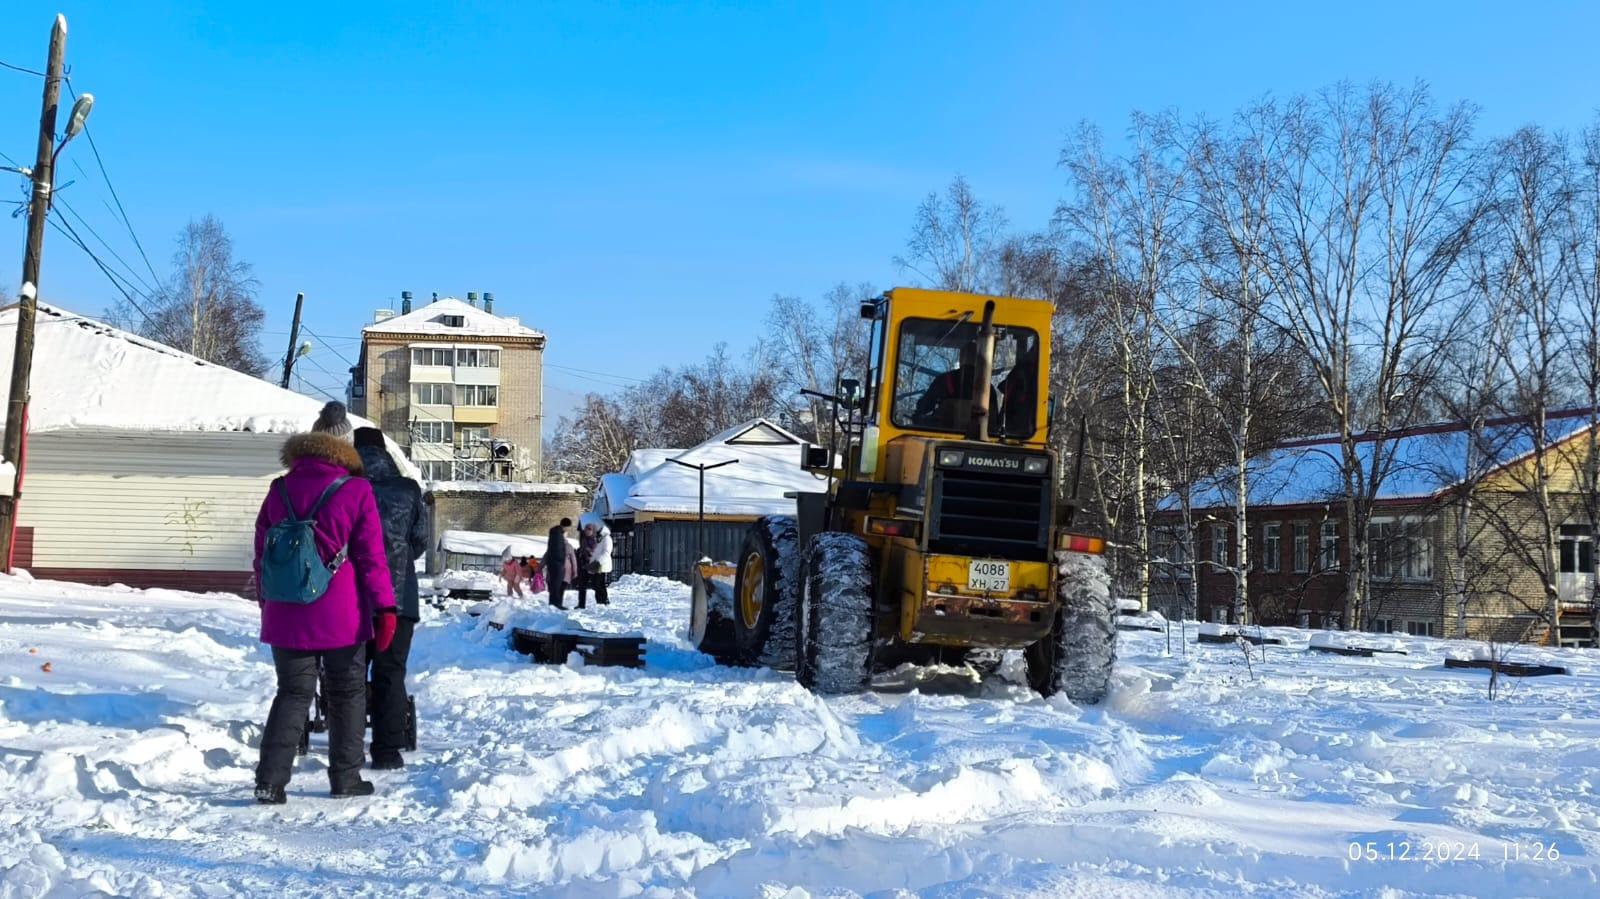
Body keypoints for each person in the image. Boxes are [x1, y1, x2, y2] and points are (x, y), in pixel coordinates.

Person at [253, 427, 395, 804]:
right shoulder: (355, 490)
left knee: (292, 693)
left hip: (285, 610)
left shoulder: (278, 489)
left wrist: (266, 601)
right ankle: (345, 778)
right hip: (341, 613)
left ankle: (270, 781)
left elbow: (261, 555)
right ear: (342, 456)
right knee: (347, 693)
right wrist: (385, 607)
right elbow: (370, 557)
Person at [352, 427, 429, 771]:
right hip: (400, 598)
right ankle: (386, 751)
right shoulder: (408, 489)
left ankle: (349, 748)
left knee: (350, 673)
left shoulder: (346, 487)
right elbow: (420, 542)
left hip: (351, 599)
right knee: (392, 671)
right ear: (385, 451)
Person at [577, 516, 614, 607]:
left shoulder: (606, 539)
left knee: (597, 583)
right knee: (598, 583)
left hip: (601, 564)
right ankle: (601, 601)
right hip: (595, 563)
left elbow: (606, 552)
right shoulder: (599, 538)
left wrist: (598, 561)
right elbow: (596, 551)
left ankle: (604, 600)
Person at [544, 518, 573, 609]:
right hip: (557, 563)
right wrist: (561, 560)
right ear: (566, 526)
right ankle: (556, 603)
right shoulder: (558, 535)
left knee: (555, 584)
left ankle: (554, 603)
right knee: (556, 584)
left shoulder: (555, 533)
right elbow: (557, 550)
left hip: (554, 562)